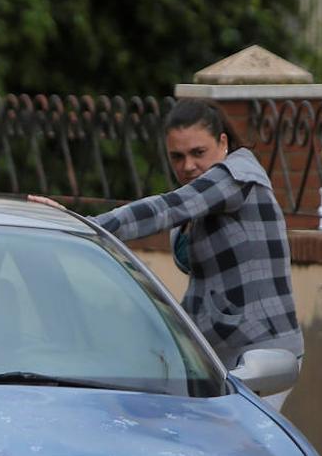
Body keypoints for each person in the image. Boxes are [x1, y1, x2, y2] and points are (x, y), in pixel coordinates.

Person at [30, 99, 304, 409]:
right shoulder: (203, 200)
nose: (188, 166)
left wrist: (84, 227)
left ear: (223, 142)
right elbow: (203, 290)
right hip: (221, 355)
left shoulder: (236, 177)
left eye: (198, 153)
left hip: (262, 357)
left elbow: (164, 208)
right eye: (177, 156)